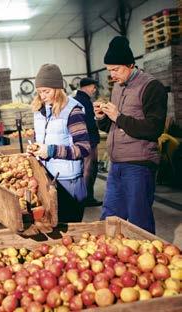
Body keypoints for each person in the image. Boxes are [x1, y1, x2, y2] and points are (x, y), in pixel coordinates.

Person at [94, 36, 167, 234]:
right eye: (109, 70)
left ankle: (145, 260)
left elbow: (154, 128)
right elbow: (115, 126)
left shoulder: (151, 87)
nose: (112, 75)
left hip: (139, 165)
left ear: (131, 65)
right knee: (109, 217)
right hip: (117, 164)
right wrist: (102, 118)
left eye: (116, 69)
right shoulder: (117, 87)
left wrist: (118, 116)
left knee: (138, 220)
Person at [27, 63, 90, 222]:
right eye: (40, 91)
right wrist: (35, 149)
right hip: (46, 178)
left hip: (68, 183)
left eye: (46, 91)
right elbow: (42, 141)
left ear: (58, 88)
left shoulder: (72, 111)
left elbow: (83, 149)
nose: (42, 96)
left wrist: (51, 151)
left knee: (69, 229)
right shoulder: (40, 111)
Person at [74, 77, 102, 207]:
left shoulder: (76, 100)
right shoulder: (84, 101)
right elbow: (89, 123)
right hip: (89, 141)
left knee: (84, 169)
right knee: (89, 169)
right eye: (93, 87)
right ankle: (87, 198)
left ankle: (83, 196)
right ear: (87, 86)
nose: (94, 90)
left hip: (83, 140)